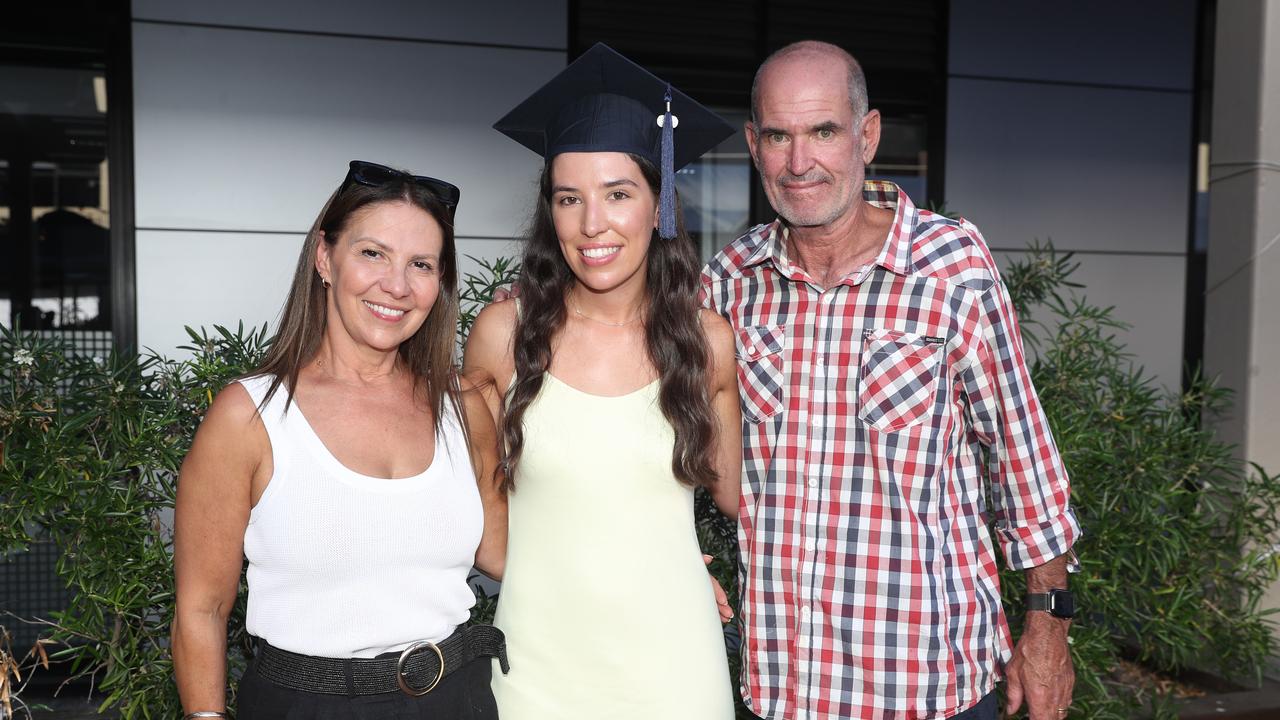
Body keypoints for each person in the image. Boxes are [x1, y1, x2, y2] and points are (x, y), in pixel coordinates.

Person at [700, 41, 1081, 720]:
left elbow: (1022, 459)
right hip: (783, 688)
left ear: (867, 135)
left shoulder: (951, 266)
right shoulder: (727, 282)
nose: (799, 162)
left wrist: (1047, 625)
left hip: (929, 687)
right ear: (754, 144)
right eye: (779, 136)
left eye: (824, 131)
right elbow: (685, 452)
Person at [172, 161, 508, 719]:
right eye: (373, 253)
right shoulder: (250, 416)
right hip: (304, 705)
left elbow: (506, 555)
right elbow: (201, 611)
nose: (396, 286)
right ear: (325, 258)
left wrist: (652, 559)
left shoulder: (463, 410)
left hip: (455, 699)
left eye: (421, 264)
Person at [464, 43, 741, 719]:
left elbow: (734, 498)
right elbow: (472, 514)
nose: (593, 225)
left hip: (675, 666)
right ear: (549, 212)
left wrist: (670, 570)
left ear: (658, 204)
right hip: (537, 662)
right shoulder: (504, 335)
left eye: (619, 194)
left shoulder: (707, 343)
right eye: (569, 199)